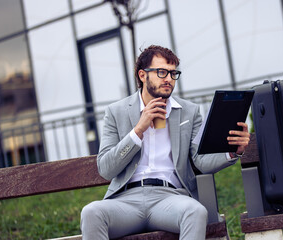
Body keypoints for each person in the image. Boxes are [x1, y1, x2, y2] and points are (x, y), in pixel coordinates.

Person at [80, 45, 250, 240]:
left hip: (170, 198)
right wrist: (138, 130)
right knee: (91, 213)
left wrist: (232, 152)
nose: (169, 79)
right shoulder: (116, 112)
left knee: (195, 212)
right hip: (126, 201)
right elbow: (105, 168)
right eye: (162, 72)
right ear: (142, 75)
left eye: (173, 73)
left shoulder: (188, 111)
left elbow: (199, 160)